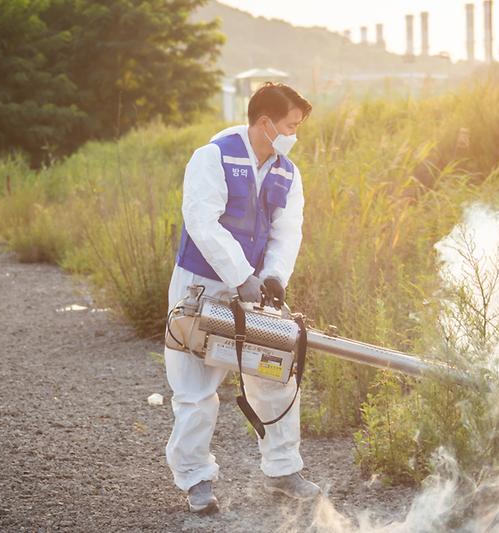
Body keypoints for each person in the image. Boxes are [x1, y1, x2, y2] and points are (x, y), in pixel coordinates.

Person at [163, 82, 319, 514]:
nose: (294, 135)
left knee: (275, 373)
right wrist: (239, 275)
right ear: (266, 123)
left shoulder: (287, 172)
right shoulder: (213, 156)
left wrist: (274, 276)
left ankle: (282, 470)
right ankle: (196, 479)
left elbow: (289, 229)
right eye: (291, 126)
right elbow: (202, 221)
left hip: (255, 288)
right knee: (195, 387)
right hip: (202, 285)